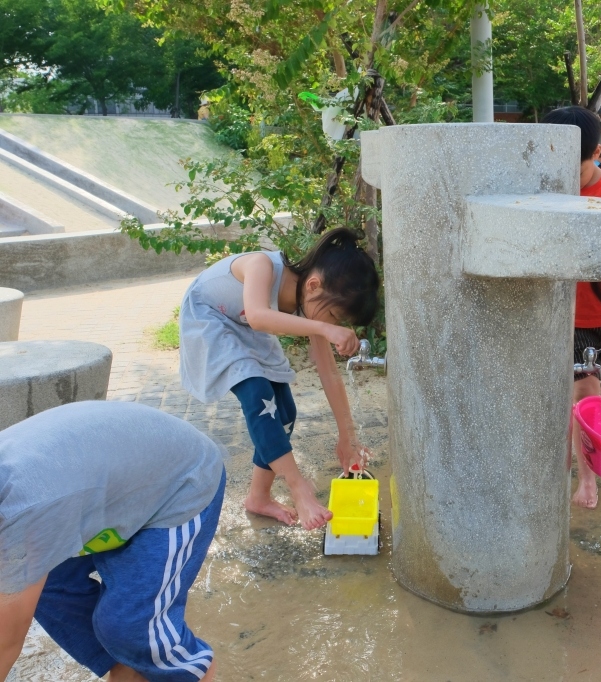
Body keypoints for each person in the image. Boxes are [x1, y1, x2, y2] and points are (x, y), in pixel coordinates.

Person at [0, 401, 225, 681]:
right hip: (105, 486)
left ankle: (189, 669)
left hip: (180, 483)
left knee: (130, 625)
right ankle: (127, 669)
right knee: (47, 588)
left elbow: (6, 642)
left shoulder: (21, 509)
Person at [179, 227, 379, 530]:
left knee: (284, 410)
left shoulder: (307, 309)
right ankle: (299, 488)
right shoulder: (261, 265)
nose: (333, 325)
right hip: (211, 319)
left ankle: (258, 497)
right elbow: (259, 316)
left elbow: (329, 374)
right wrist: (326, 329)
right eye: (336, 317)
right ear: (314, 285)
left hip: (244, 326)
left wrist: (347, 437)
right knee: (257, 393)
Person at [541, 105, 601, 509]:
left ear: (597, 154)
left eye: (577, 170)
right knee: (585, 389)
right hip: (570, 314)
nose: (569, 179)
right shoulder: (546, 190)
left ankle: (599, 457)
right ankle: (585, 480)